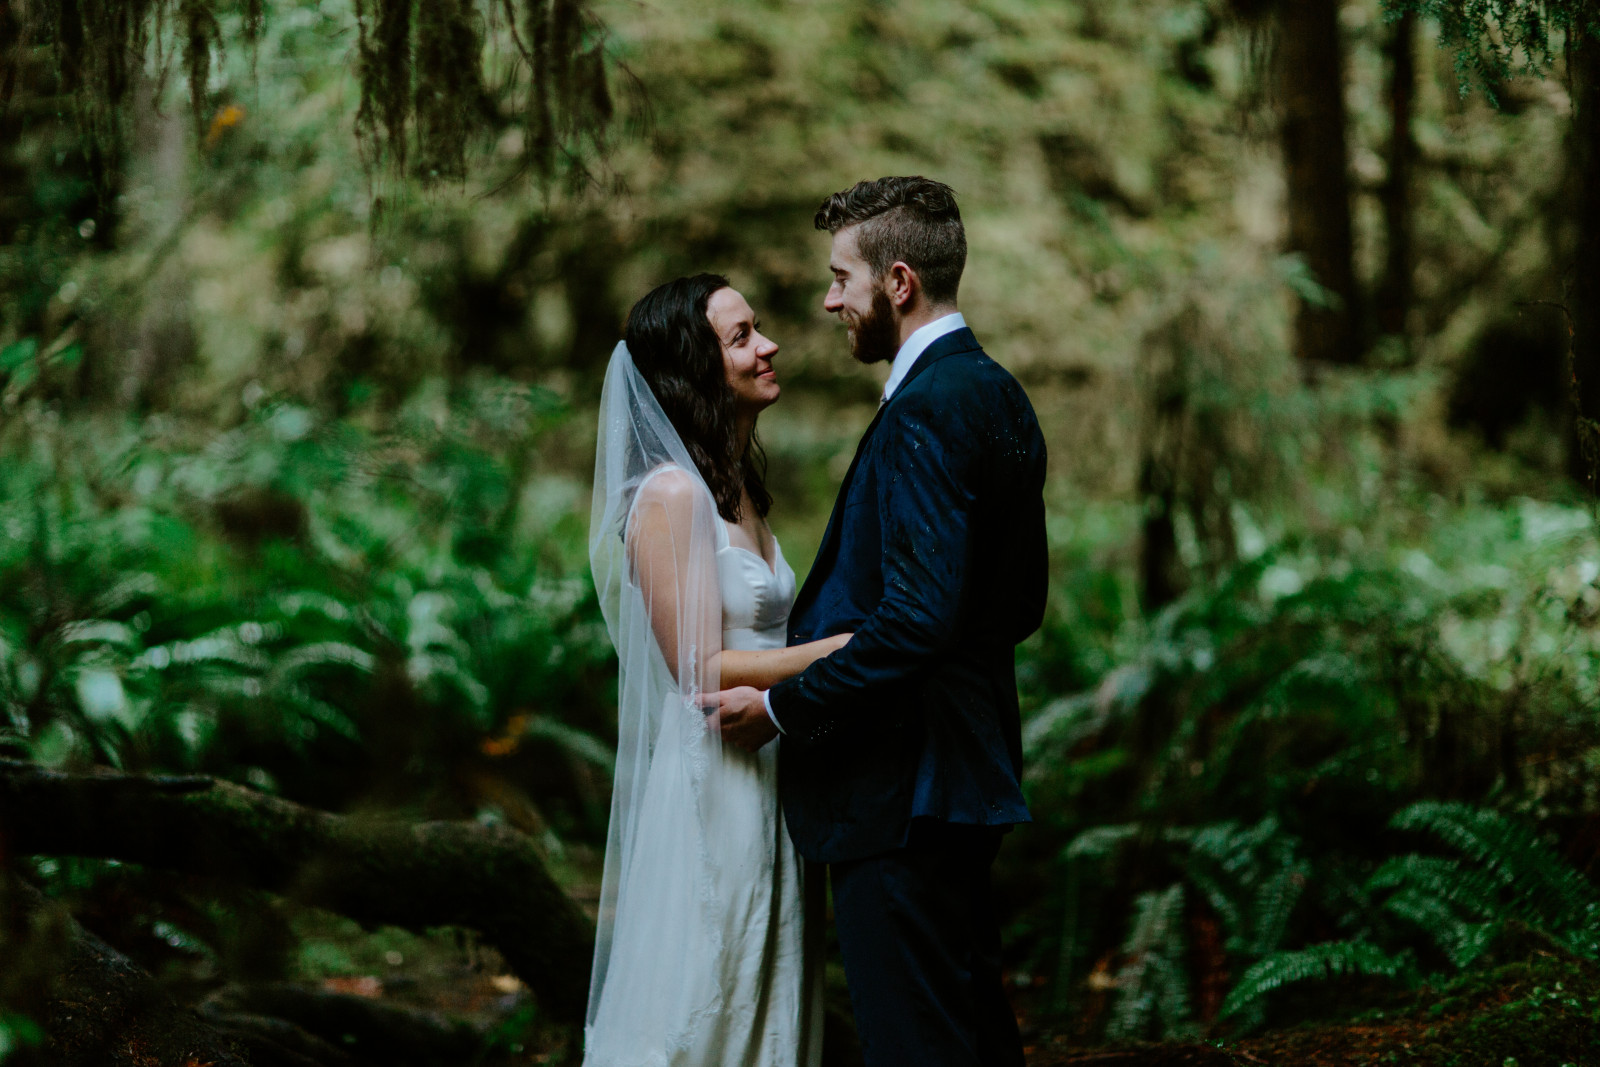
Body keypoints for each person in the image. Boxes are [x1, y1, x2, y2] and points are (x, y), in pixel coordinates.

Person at [710, 177, 1049, 1067]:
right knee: (972, 1037)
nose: (829, 300)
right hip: (964, 779)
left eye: (840, 279)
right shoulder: (998, 394)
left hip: (901, 797)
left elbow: (914, 621)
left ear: (897, 283)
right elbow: (1019, 606)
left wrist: (783, 711)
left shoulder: (925, 413)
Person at [584, 274, 843, 1067]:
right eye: (740, 337)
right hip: (715, 783)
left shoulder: (740, 490)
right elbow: (695, 662)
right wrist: (845, 652)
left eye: (756, 327)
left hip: (769, 768)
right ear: (696, 369)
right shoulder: (670, 495)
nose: (767, 345)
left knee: (771, 992)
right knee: (711, 988)